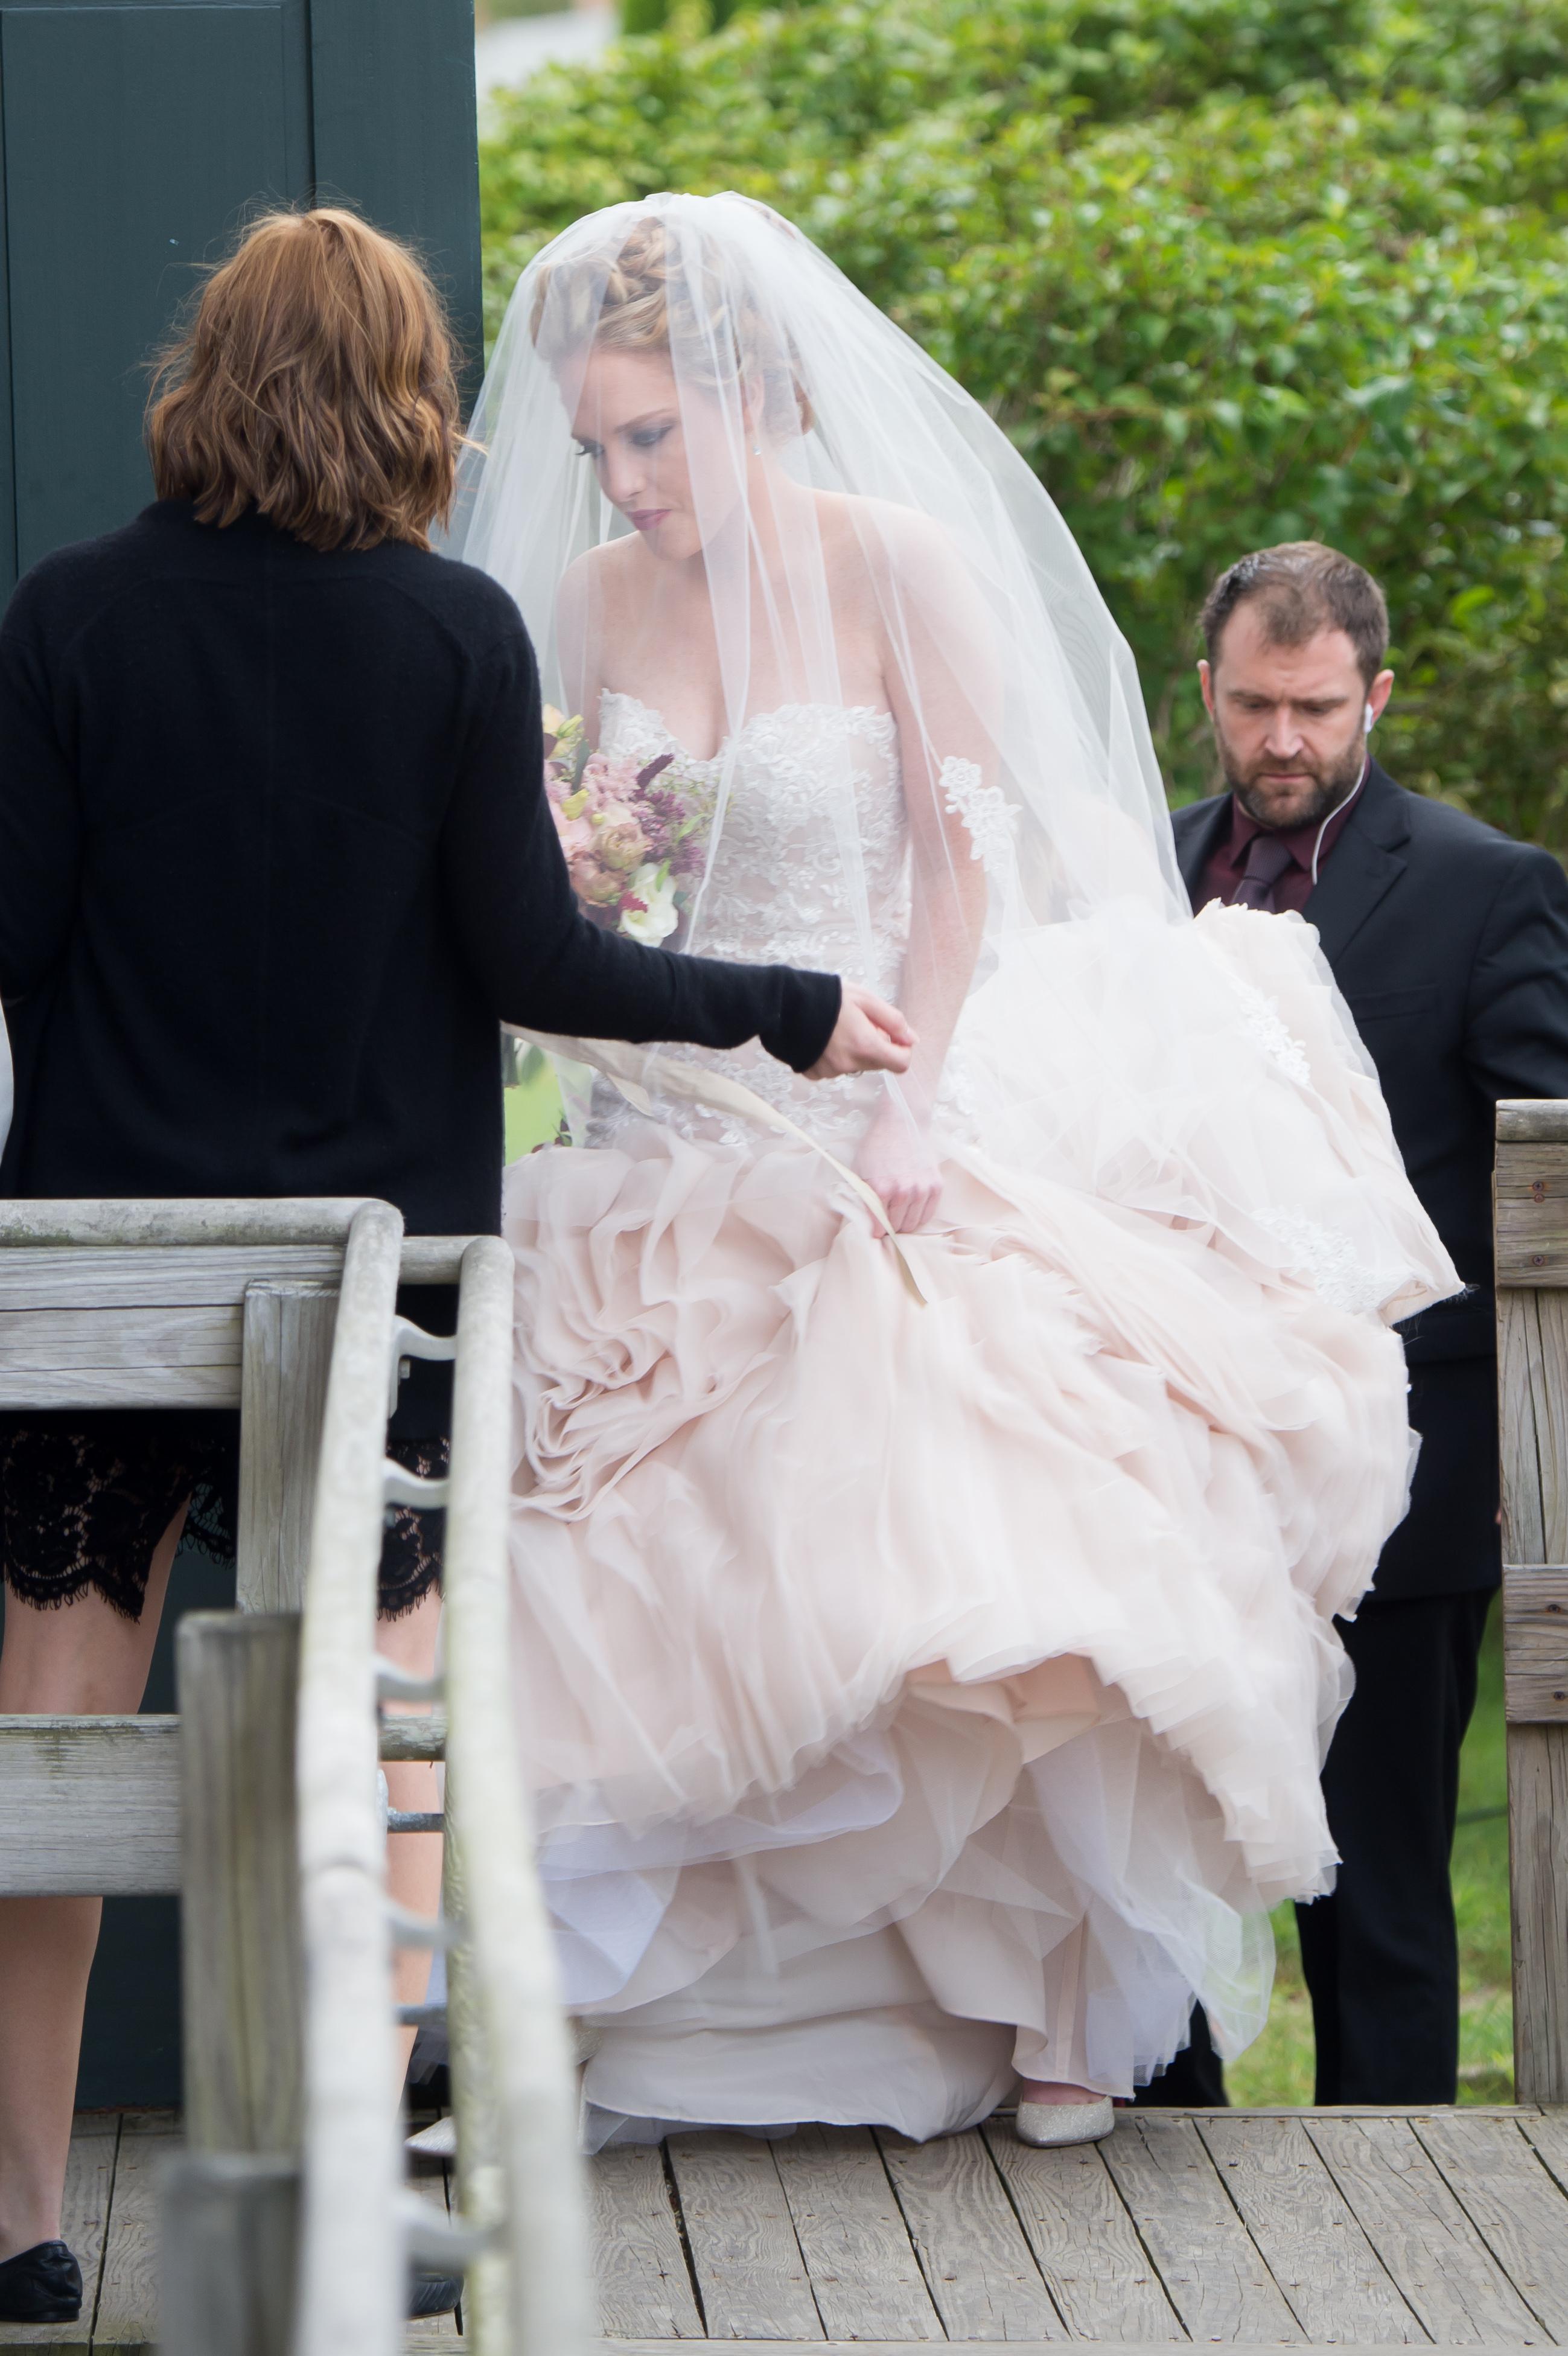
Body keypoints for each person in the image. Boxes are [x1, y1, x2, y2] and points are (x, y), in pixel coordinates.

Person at [444, 193, 1459, 2154]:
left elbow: (969, 852)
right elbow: (562, 888)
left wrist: (909, 1097)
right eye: (595, 446)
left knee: (986, 1547)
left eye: (653, 433)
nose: (625, 479)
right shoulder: (574, 611)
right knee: (648, 1579)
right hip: (665, 1137)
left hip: (889, 1104)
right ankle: (654, 2028)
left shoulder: (896, 563)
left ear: (756, 397)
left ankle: (1036, 2000)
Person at [0, 206, 912, 2329]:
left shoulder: (63, 620)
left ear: (204, 374)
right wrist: (780, 999)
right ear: (411, 392)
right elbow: (536, 960)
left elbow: (13, 941)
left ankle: (24, 2219)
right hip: (373, 1275)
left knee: (45, 1742)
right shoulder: (453, 641)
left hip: (103, 1270)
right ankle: (355, 2194)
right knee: (384, 1742)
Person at [1166, 540, 1568, 2104]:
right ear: (1206, 691)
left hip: (1411, 1476)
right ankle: (1155, 2242)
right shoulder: (1142, 865)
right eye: (1255, 705)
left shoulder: (1488, 888)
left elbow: (1546, 1191)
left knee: (1384, 1904)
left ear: (1376, 696)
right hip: (1176, 1478)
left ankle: (1402, 2253)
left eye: (1318, 710)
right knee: (1162, 1877)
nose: (1283, 742)